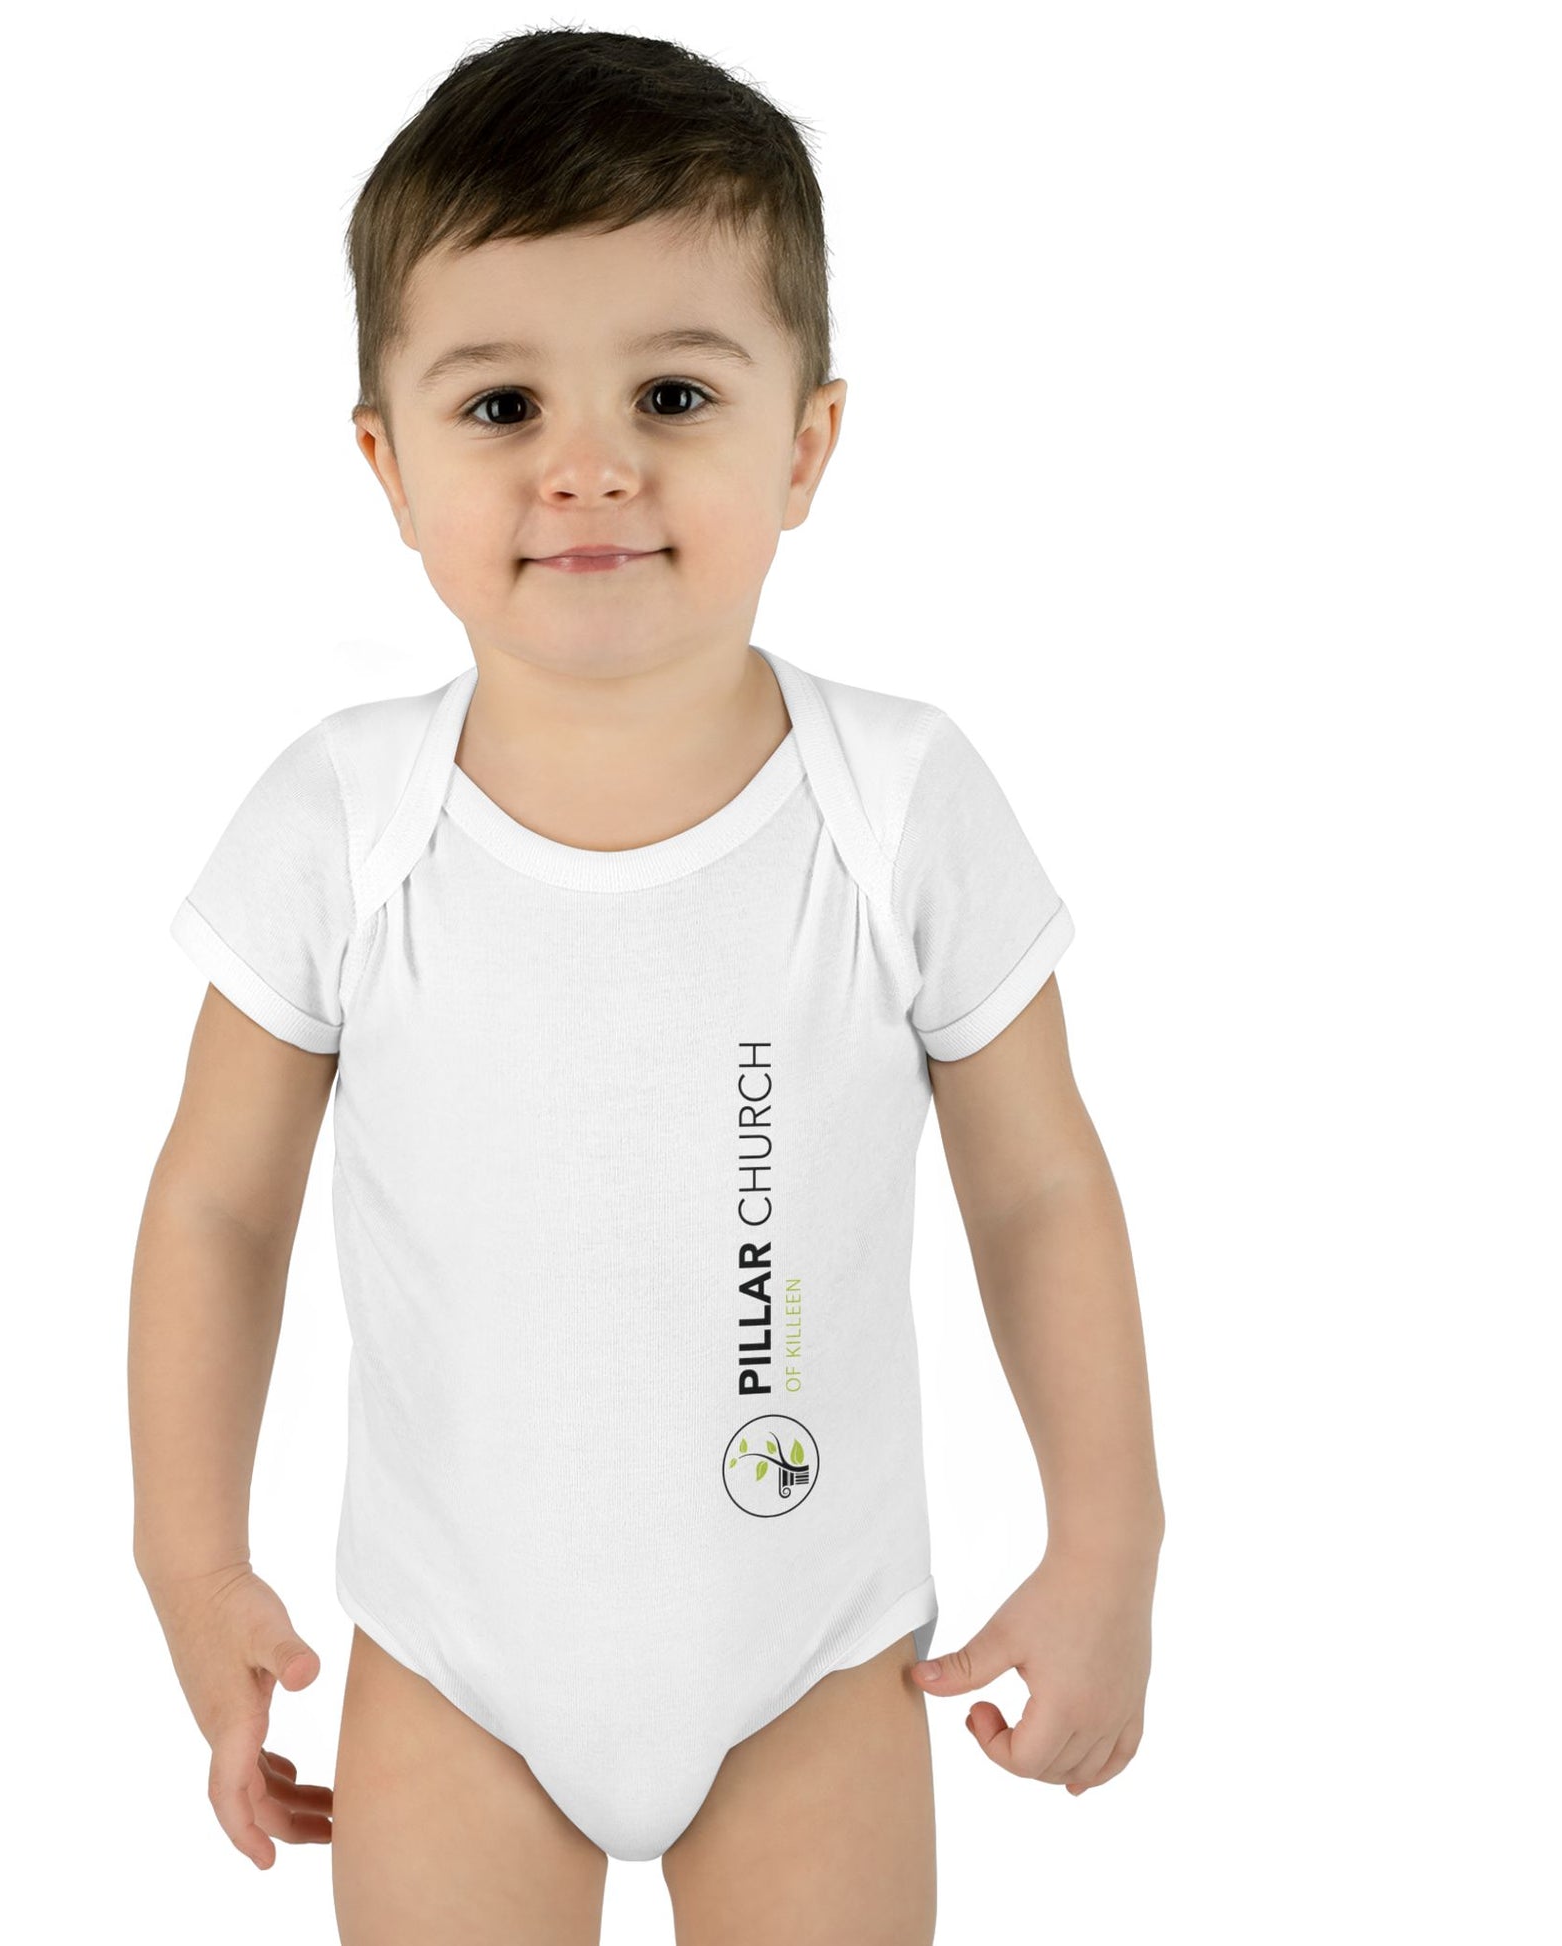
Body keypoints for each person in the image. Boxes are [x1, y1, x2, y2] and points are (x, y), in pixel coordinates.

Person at [129, 26, 1162, 1945]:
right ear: (387, 464)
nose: (588, 465)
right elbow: (215, 1209)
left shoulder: (897, 799)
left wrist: (1109, 1538)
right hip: (450, 1663)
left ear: (806, 444)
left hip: (810, 1660)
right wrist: (191, 1565)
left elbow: (1036, 1188)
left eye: (672, 392)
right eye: (501, 403)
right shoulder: (341, 822)